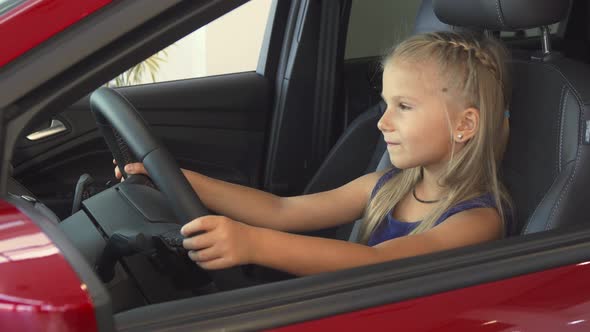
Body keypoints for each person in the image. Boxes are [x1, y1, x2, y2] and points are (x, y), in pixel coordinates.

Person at [115, 31, 512, 276]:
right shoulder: (385, 186)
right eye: (385, 104)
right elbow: (282, 211)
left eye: (403, 107)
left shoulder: (476, 220)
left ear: (464, 125)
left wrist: (254, 245)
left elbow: (379, 266)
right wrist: (180, 181)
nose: (382, 122)